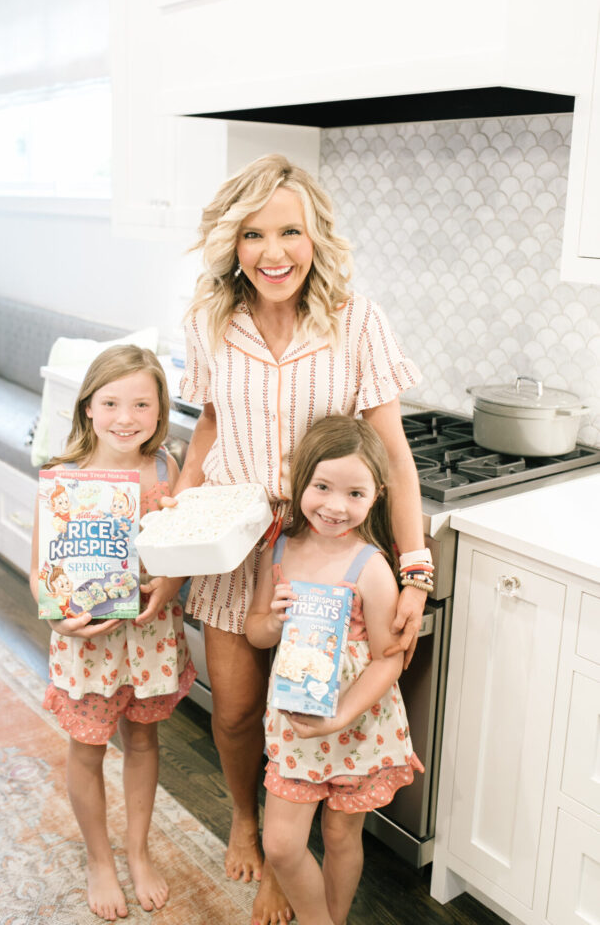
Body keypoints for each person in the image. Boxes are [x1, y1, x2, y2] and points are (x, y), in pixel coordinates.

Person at [147, 153, 433, 925]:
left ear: (315, 238)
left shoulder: (356, 320)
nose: (272, 252)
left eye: (288, 232)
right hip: (233, 541)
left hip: (325, 548)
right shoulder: (209, 321)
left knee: (311, 704)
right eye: (252, 234)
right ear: (231, 244)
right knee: (238, 712)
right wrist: (176, 522)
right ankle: (248, 822)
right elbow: (209, 427)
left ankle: (287, 855)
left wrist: (414, 569)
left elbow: (394, 457)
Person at [29, 345, 196, 922]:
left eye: (142, 404)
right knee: (88, 746)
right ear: (88, 407)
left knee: (144, 741)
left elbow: (180, 550)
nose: (126, 418)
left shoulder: (166, 468)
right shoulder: (63, 477)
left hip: (149, 636)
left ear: (161, 410)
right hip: (88, 644)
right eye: (111, 403)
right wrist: (56, 617)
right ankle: (100, 859)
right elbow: (39, 569)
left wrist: (170, 586)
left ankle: (137, 850)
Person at [245, 415, 424, 925]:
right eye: (322, 487)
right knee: (282, 845)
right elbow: (256, 631)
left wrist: (341, 715)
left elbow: (389, 658)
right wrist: (272, 622)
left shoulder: (370, 565)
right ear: (302, 480)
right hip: (296, 724)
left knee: (341, 835)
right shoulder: (279, 550)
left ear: (376, 497)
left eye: (354, 494)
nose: (335, 506)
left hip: (358, 724)